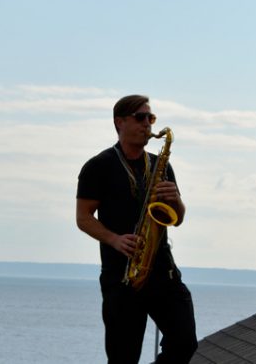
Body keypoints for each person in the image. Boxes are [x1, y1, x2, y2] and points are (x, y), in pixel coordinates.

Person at [76, 95, 197, 363]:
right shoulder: (99, 166)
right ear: (120, 122)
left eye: (150, 118)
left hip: (162, 271)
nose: (148, 124)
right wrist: (114, 239)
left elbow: (178, 218)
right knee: (123, 357)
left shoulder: (160, 165)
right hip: (122, 276)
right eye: (141, 118)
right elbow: (83, 217)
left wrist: (175, 199)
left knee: (185, 341)